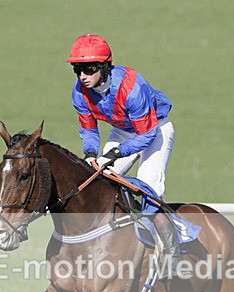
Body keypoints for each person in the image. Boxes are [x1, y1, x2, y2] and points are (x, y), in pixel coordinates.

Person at [67, 34, 183, 277]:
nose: (82, 76)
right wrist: (90, 153)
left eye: (88, 69)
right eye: (77, 69)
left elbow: (147, 135)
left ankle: (173, 255)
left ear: (104, 67)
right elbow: (88, 128)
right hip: (123, 130)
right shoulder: (80, 92)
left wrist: (119, 152)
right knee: (100, 179)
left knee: (149, 186)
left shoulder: (132, 87)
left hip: (155, 129)